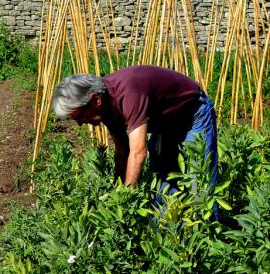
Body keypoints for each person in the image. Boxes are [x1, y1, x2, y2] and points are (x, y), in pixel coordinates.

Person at [52, 65, 218, 199]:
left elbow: (138, 152)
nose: (80, 124)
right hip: (164, 121)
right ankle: (169, 230)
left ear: (96, 100)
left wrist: (125, 198)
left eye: (79, 116)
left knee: (200, 178)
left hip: (193, 112)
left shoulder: (129, 93)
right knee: (163, 174)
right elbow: (123, 149)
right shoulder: (106, 107)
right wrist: (117, 186)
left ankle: (207, 233)